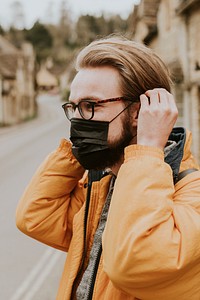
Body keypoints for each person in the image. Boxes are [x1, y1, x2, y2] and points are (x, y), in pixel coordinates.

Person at [16, 35, 200, 300]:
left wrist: (148, 148)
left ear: (140, 113)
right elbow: (36, 216)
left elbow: (136, 264)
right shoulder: (103, 183)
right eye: (74, 107)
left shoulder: (190, 194)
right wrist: (80, 152)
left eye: (91, 106)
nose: (78, 120)